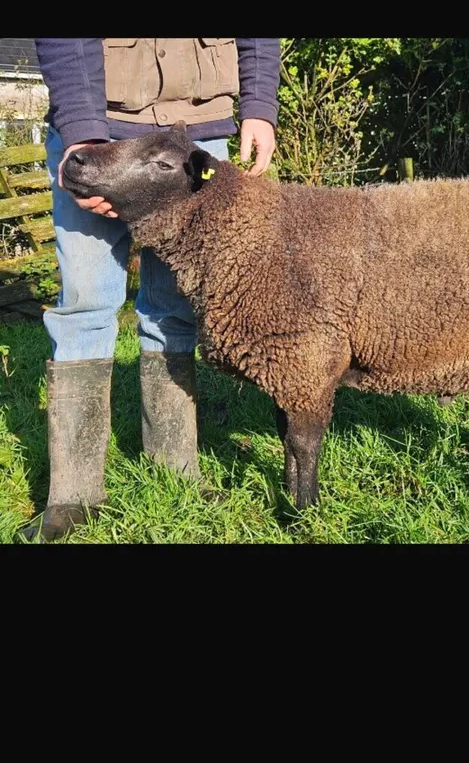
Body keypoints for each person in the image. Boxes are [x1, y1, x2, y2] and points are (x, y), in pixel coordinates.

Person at [23, 38, 280, 541]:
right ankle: (73, 496)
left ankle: (175, 470)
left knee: (176, 307)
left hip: (197, 135)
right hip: (99, 131)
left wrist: (259, 105)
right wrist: (81, 134)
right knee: (86, 303)